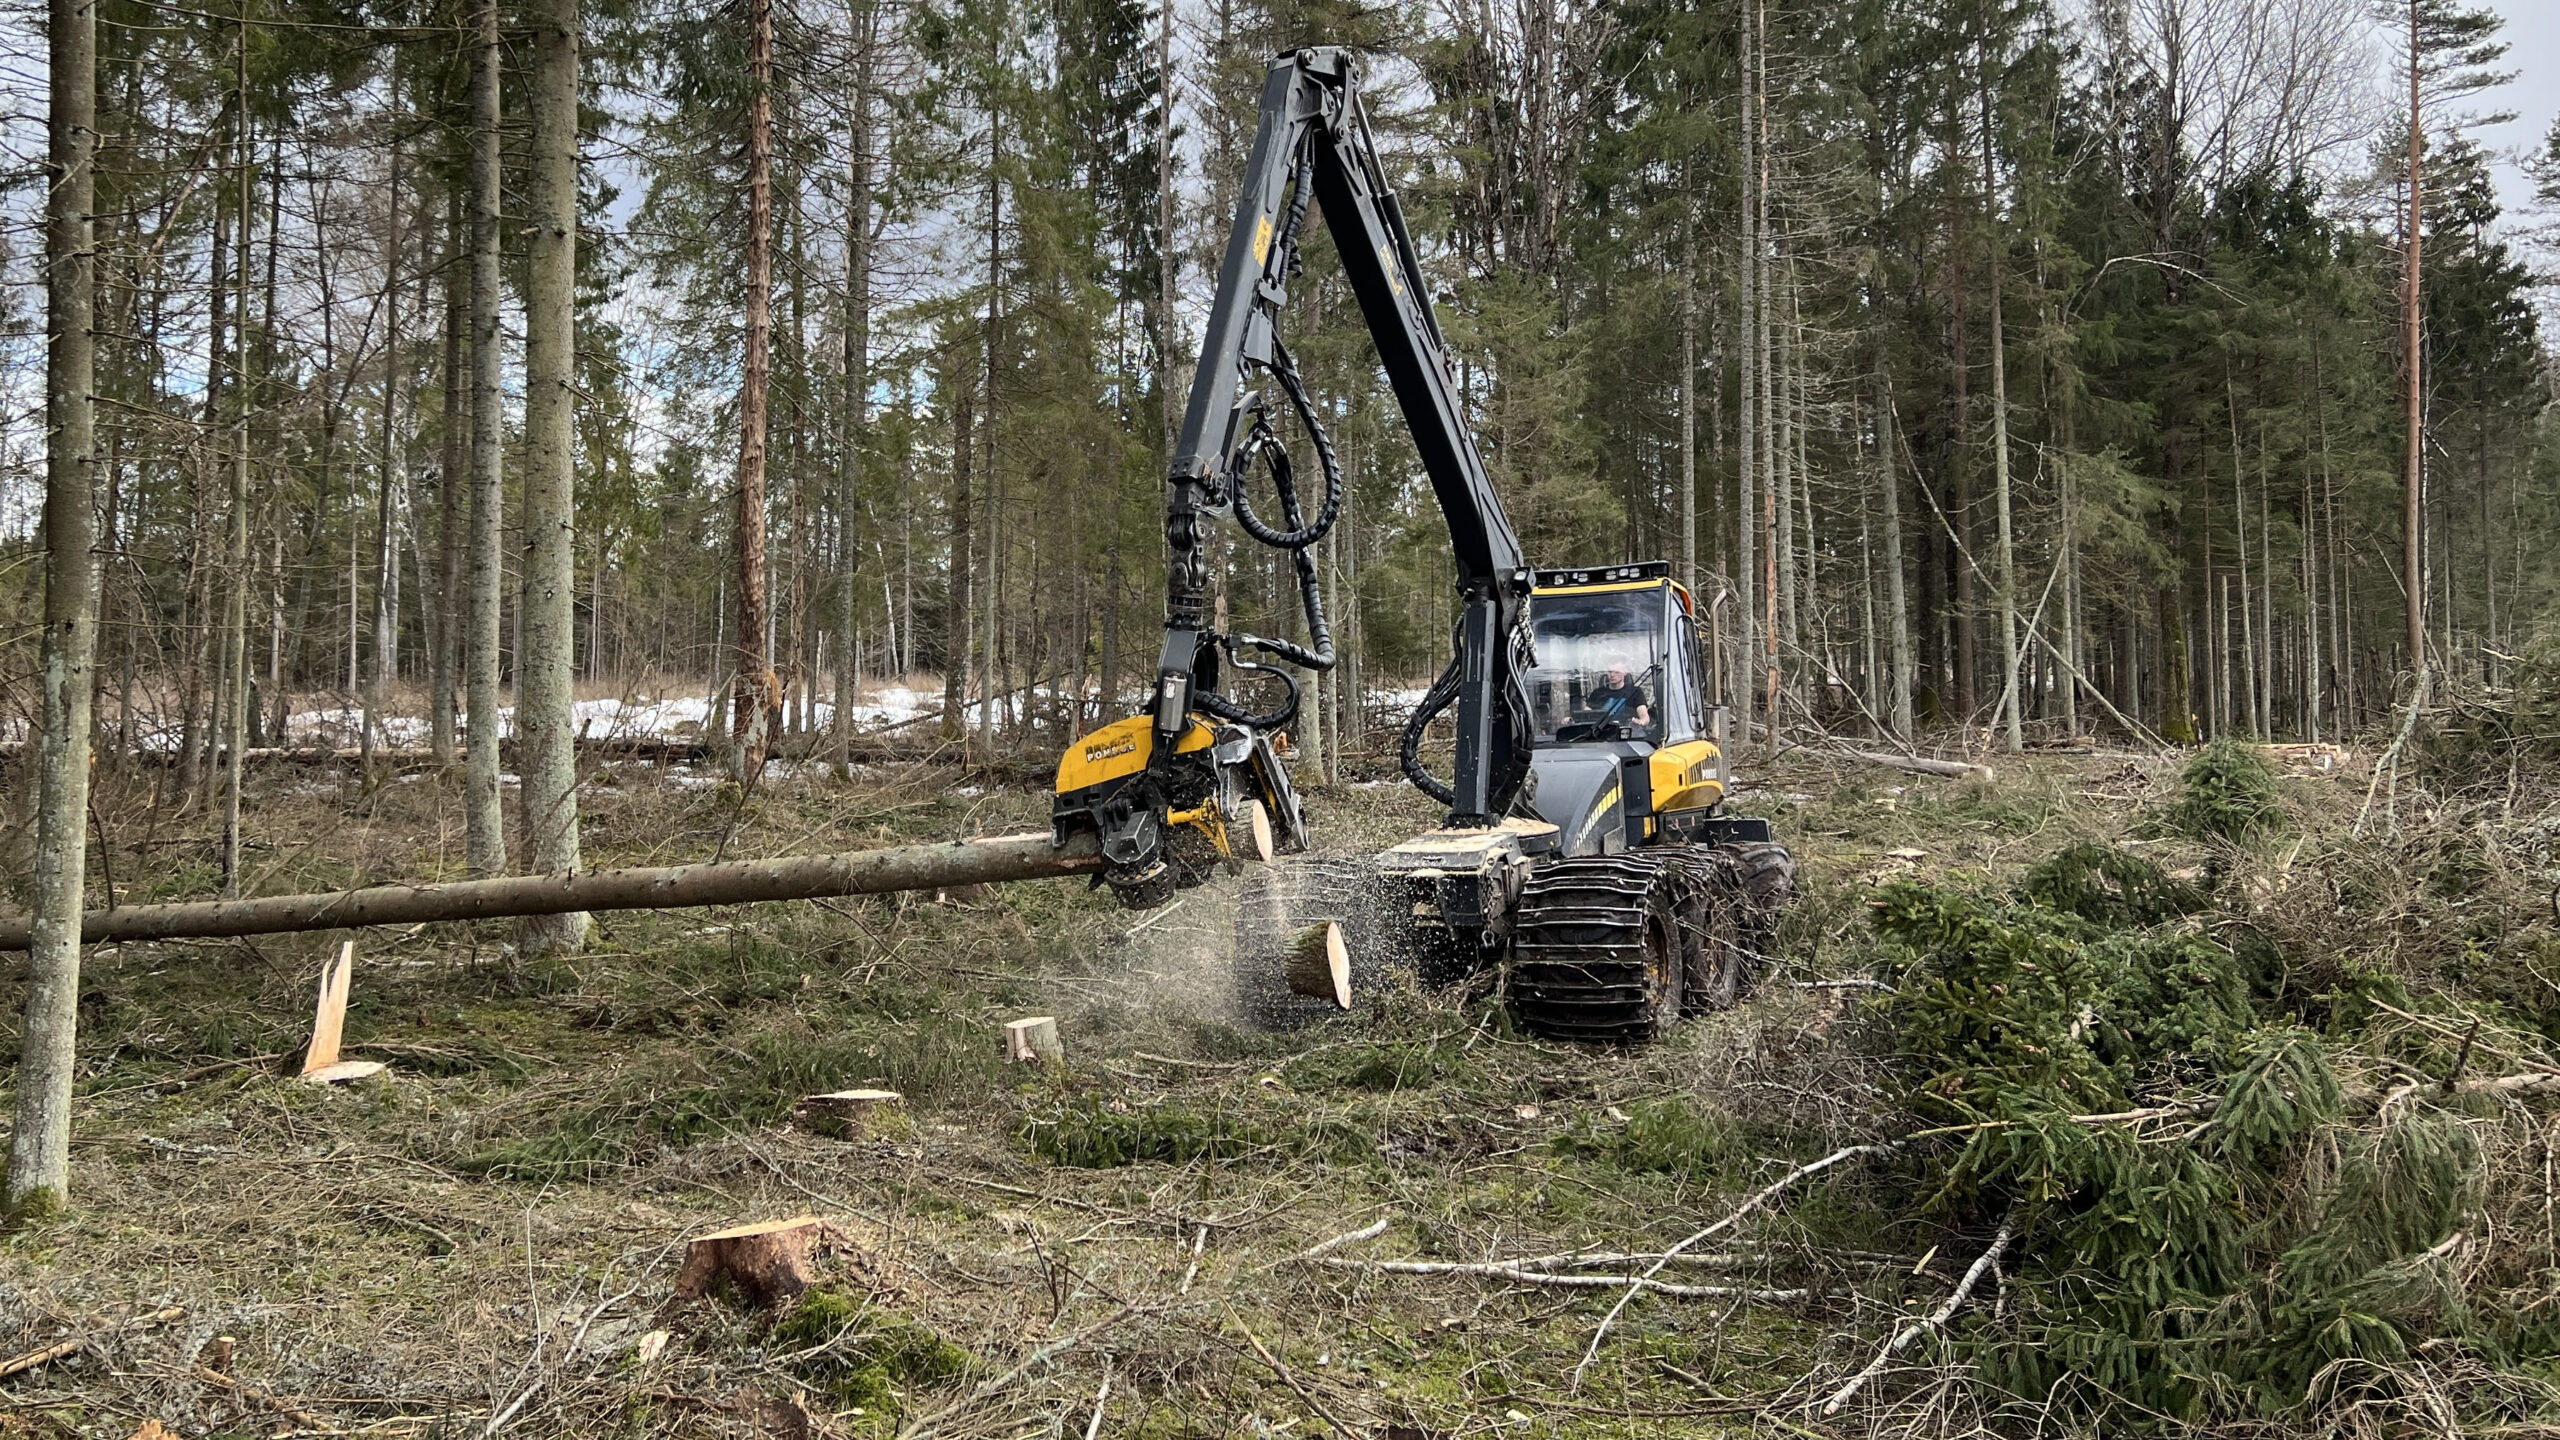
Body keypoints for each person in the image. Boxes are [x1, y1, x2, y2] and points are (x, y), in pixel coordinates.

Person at [1588, 658, 1650, 731]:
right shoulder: (1598, 693)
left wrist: (1641, 722)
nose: (1612, 675)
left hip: (1626, 734)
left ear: (1625, 672)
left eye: (1617, 672)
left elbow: (1644, 716)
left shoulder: (1635, 692)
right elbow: (1585, 713)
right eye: (1610, 672)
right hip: (1600, 733)